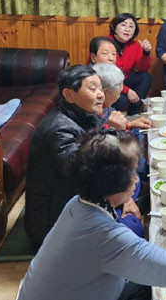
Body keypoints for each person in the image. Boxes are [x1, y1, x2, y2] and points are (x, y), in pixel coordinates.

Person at [17, 128, 166, 300]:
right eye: (134, 172)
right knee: (160, 286)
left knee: (150, 285)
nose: (137, 179)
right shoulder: (105, 236)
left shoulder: (78, 202)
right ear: (115, 181)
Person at [24, 65, 143, 245]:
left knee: (134, 178)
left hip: (78, 202)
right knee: (134, 229)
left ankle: (128, 203)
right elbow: (84, 173)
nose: (101, 94)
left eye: (100, 88)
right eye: (92, 89)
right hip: (55, 225)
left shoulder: (85, 114)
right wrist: (113, 133)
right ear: (69, 95)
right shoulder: (58, 128)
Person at [92, 63, 151, 237]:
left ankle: (137, 192)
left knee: (139, 141)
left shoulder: (103, 107)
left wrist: (130, 124)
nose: (120, 94)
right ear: (105, 91)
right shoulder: (90, 114)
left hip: (111, 178)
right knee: (135, 228)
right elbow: (101, 163)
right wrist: (126, 197)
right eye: (119, 89)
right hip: (99, 193)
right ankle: (133, 198)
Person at [108, 13, 152, 115]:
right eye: (123, 25)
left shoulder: (135, 45)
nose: (127, 29)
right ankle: (110, 117)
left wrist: (146, 53)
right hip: (107, 84)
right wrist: (127, 91)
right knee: (121, 101)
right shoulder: (104, 43)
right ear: (114, 27)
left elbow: (143, 68)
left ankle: (134, 113)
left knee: (145, 77)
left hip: (123, 80)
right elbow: (105, 77)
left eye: (131, 26)